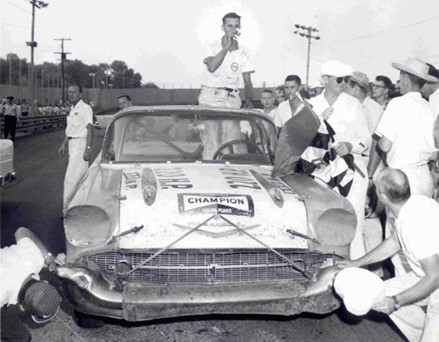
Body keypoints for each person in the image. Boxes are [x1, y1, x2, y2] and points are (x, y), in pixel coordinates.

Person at [337, 168, 439, 342]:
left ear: (382, 197)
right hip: (428, 275)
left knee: (392, 301)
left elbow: (435, 276)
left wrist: (397, 301)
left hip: (434, 278)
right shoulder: (414, 204)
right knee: (378, 295)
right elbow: (394, 242)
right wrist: (357, 262)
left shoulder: (414, 227)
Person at [307, 60, 371, 259]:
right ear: (325, 79)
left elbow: (366, 138)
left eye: (347, 80)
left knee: (354, 224)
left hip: (351, 171)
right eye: (339, 80)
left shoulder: (353, 105)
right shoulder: (312, 105)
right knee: (320, 224)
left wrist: (350, 146)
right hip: (320, 173)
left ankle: (357, 270)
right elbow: (299, 141)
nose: (344, 84)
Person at [1, 227, 63, 342]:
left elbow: (22, 231)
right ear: (22, 307)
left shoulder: (34, 259)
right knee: (21, 338)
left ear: (45, 282)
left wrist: (49, 259)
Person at [198, 12, 254, 109]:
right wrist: (227, 46)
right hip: (210, 97)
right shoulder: (212, 45)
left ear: (239, 28)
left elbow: (247, 81)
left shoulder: (245, 52)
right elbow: (212, 67)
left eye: (236, 26)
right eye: (229, 26)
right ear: (223, 28)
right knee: (211, 123)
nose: (233, 30)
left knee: (232, 124)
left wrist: (249, 101)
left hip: (231, 98)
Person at [58, 85, 94, 215]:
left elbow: (90, 129)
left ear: (80, 94)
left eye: (74, 92)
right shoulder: (73, 109)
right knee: (80, 178)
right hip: (73, 145)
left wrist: (88, 148)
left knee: (70, 179)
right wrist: (64, 144)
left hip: (80, 145)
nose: (71, 94)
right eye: (69, 92)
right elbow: (71, 130)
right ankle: (80, 207)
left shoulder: (85, 108)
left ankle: (66, 210)